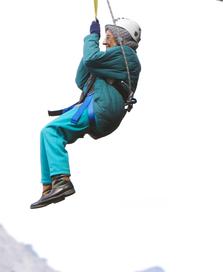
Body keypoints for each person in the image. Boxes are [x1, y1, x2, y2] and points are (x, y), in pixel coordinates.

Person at [30, 18, 142, 209]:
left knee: (51, 131)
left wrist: (92, 38)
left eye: (109, 36)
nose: (106, 40)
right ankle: (48, 186)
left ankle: (62, 181)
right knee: (48, 132)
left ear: (121, 37)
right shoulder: (110, 62)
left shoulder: (127, 55)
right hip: (101, 106)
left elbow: (91, 59)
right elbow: (81, 79)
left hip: (102, 106)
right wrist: (95, 46)